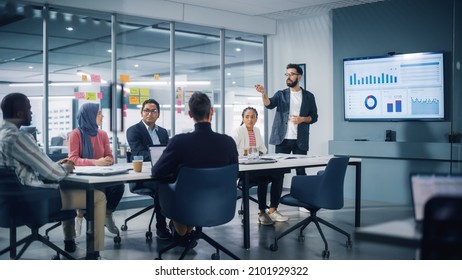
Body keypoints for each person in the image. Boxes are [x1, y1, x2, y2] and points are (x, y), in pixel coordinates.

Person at [0, 92, 106, 259]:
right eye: (28, 108)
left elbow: (29, 169)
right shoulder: (18, 137)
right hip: (33, 202)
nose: (31, 112)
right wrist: (67, 167)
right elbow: (54, 174)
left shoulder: (2, 136)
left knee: (66, 186)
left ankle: (69, 240)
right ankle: (94, 254)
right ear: (19, 113)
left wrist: (57, 167)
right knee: (98, 197)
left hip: (8, 203)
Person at [152, 92, 238, 243]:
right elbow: (234, 174)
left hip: (186, 205)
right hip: (220, 205)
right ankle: (186, 229)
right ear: (211, 111)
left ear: (190, 114)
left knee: (166, 186)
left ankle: (182, 229)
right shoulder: (228, 142)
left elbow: (157, 172)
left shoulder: (179, 142)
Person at [68, 102, 124, 236]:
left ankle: (107, 215)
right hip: (82, 178)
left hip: (101, 176)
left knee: (119, 186)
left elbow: (109, 156)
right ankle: (79, 216)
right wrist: (96, 162)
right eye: (99, 113)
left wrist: (108, 160)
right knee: (92, 190)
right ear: (89, 115)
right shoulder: (75, 134)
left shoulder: (103, 134)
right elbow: (73, 159)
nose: (102, 116)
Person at [255, 63, 318, 175]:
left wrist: (302, 119)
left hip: (300, 140)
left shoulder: (309, 96)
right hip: (282, 139)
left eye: (291, 74)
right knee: (278, 173)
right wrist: (264, 94)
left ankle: (302, 193)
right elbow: (269, 104)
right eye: (286, 74)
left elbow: (314, 117)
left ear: (299, 77)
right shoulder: (281, 94)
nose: (288, 77)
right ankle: (276, 194)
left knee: (301, 171)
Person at [232, 107, 288, 225]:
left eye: (253, 117)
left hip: (257, 165)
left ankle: (272, 210)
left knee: (279, 174)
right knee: (263, 177)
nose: (250, 119)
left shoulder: (256, 130)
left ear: (256, 119)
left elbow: (263, 149)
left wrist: (256, 152)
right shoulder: (239, 131)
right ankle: (262, 212)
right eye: (247, 117)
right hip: (244, 170)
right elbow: (233, 150)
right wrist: (250, 151)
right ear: (243, 118)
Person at [126, 98, 171, 239]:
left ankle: (180, 225)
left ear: (158, 114)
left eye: (153, 111)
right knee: (162, 185)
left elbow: (169, 152)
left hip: (163, 171)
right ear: (141, 113)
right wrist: (162, 155)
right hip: (144, 176)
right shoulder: (133, 130)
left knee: (183, 180)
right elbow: (139, 153)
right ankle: (161, 227)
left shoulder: (163, 132)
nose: (149, 114)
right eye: (146, 110)